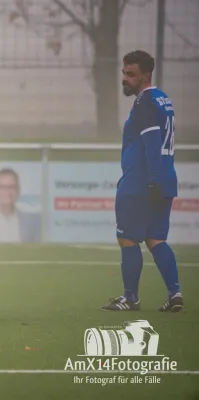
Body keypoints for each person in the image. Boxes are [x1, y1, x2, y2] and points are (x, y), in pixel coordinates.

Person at [102, 50, 182, 313]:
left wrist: (151, 182)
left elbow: (151, 142)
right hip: (166, 178)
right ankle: (175, 294)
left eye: (131, 74)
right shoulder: (162, 99)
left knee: (127, 239)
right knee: (156, 238)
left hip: (142, 182)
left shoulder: (144, 102)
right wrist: (160, 181)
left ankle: (130, 298)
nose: (125, 78)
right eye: (124, 72)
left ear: (145, 75)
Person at [0, 168, 41, 243]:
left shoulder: (33, 222)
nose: (7, 192)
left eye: (11, 187)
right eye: (2, 187)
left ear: (18, 190)